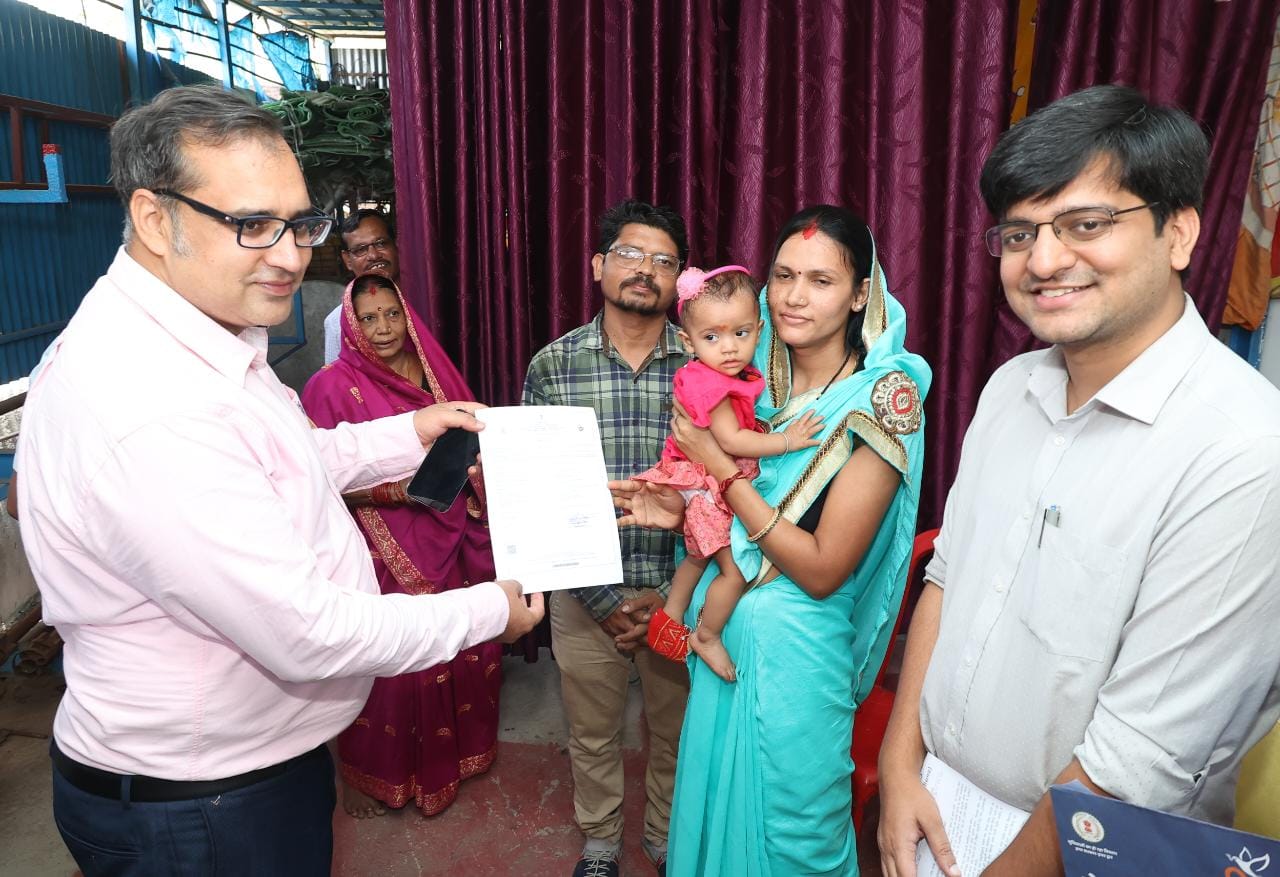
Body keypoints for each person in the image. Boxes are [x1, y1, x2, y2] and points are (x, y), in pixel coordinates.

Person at [16, 84, 543, 877]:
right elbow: (307, 632)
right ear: (155, 219)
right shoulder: (149, 404)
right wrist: (489, 609)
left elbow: (285, 461)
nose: (293, 256)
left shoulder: (204, 333)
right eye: (253, 225)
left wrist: (411, 432)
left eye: (299, 224)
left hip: (242, 774)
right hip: (197, 807)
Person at [877, 85, 1280, 877]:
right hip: (935, 801)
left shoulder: (1244, 451)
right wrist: (899, 764)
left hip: (1094, 846)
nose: (1044, 260)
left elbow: (1139, 762)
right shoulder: (1010, 387)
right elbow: (948, 579)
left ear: (1179, 232)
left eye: (1086, 224)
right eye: (1020, 232)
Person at [614, 205, 930, 876]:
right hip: (725, 647)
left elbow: (821, 569)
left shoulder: (881, 399)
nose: (793, 296)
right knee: (713, 818)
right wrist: (683, 508)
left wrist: (722, 470)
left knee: (796, 841)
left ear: (860, 294)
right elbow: (724, 508)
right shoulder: (748, 381)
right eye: (784, 275)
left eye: (821, 280)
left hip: (796, 658)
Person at [523, 199, 694, 877]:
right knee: (592, 733)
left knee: (677, 733)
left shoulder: (707, 364)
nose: (644, 270)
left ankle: (665, 836)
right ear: (598, 266)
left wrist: (669, 598)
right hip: (583, 593)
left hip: (681, 593)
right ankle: (600, 842)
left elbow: (729, 488)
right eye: (629, 253)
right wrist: (603, 600)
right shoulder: (554, 365)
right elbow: (539, 494)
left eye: (663, 260)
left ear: (679, 279)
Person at [302, 272, 501, 820]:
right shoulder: (328, 387)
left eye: (392, 314)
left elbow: (469, 440)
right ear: (350, 325)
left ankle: (453, 759)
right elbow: (316, 480)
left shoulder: (433, 369)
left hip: (450, 522)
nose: (383, 327)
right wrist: (395, 492)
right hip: (379, 541)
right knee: (388, 658)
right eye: (368, 318)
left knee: (461, 644)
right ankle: (370, 774)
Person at [638, 264, 822, 682]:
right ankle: (707, 635)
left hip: (693, 481)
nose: (729, 348)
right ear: (687, 341)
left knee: (697, 556)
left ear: (759, 330)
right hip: (705, 487)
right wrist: (787, 440)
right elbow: (732, 441)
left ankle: (668, 619)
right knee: (736, 570)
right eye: (712, 337)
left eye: (740, 333)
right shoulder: (715, 386)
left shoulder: (709, 373)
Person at [323, 208, 399, 363]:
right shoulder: (337, 322)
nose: (373, 255)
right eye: (360, 249)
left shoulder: (428, 305)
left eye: (381, 243)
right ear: (348, 260)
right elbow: (336, 376)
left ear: (397, 245)